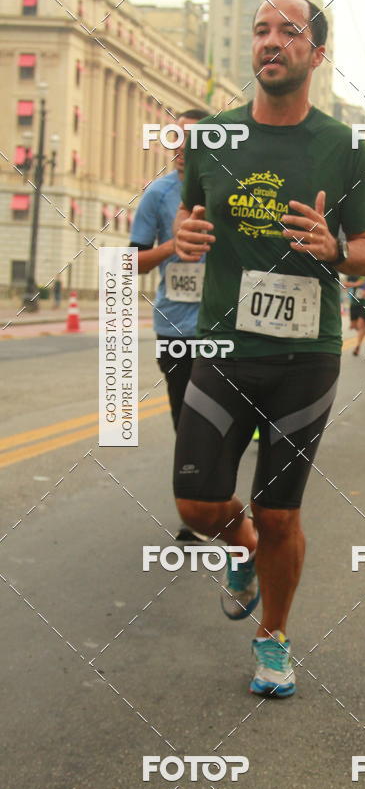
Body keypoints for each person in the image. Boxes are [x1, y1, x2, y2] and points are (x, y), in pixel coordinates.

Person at [172, 0, 365, 698]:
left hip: (305, 354)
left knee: (281, 510)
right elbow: (191, 222)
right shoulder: (211, 140)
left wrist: (335, 247)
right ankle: (241, 548)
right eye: (261, 29)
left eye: (289, 32)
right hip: (225, 346)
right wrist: (188, 238)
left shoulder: (344, 146)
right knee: (197, 506)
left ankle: (274, 641)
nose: (270, 41)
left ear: (316, 54)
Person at [130, 108, 206, 541]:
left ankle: (217, 500)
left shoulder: (231, 190)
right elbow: (133, 262)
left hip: (225, 330)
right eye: (176, 138)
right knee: (187, 423)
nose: (182, 147)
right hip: (175, 328)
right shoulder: (157, 194)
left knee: (220, 425)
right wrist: (172, 247)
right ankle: (195, 515)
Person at [346, 274, 365, 356]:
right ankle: (363, 332)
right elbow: (345, 284)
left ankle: (357, 347)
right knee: (354, 326)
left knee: (360, 325)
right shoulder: (352, 274)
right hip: (354, 303)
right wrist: (358, 284)